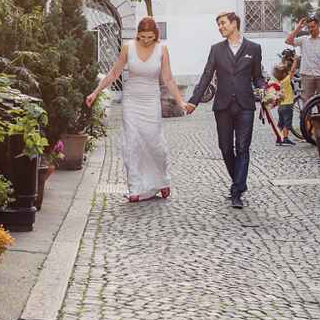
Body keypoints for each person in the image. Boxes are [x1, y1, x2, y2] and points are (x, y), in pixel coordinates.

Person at [86, 17, 189, 202]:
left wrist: (181, 102)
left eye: (150, 37)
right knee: (133, 142)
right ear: (138, 34)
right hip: (132, 101)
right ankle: (135, 187)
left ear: (155, 35)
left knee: (155, 143)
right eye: (142, 37)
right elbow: (114, 73)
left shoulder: (162, 49)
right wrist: (95, 92)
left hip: (151, 101)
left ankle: (161, 180)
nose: (146, 40)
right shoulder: (128, 47)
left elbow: (168, 79)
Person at [184, 12, 264, 209]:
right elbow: (206, 75)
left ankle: (237, 191)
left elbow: (258, 76)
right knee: (225, 147)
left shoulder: (254, 48)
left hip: (245, 105)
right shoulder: (216, 50)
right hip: (223, 105)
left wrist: (265, 90)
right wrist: (194, 101)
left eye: (223, 23)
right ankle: (240, 182)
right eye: (218, 25)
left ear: (234, 23)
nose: (220, 27)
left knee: (243, 147)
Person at [285, 17, 320, 105]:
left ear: (318, 26)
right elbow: (288, 41)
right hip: (306, 76)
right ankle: (307, 119)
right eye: (309, 27)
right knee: (307, 103)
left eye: (313, 27)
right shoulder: (304, 40)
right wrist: (298, 28)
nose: (311, 29)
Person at [272, 60, 297, 146]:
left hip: (281, 106)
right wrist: (295, 61)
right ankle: (285, 138)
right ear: (284, 74)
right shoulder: (286, 80)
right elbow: (293, 70)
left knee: (280, 123)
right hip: (288, 105)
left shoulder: (278, 83)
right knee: (287, 123)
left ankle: (278, 139)